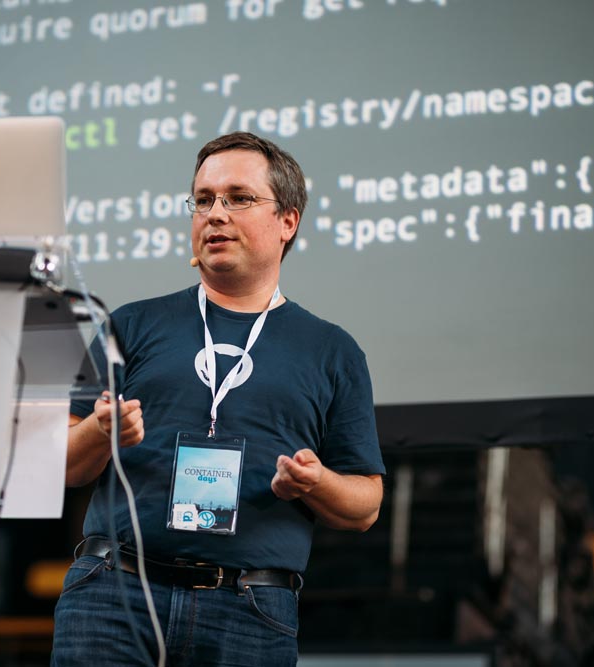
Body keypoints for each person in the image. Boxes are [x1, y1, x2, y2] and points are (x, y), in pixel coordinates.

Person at [51, 132, 385, 666]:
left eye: (239, 198)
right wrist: (99, 430)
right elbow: (61, 466)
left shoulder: (332, 351)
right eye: (203, 200)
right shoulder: (131, 325)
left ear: (288, 221)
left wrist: (316, 482)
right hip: (114, 596)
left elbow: (366, 506)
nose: (215, 214)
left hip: (250, 611)